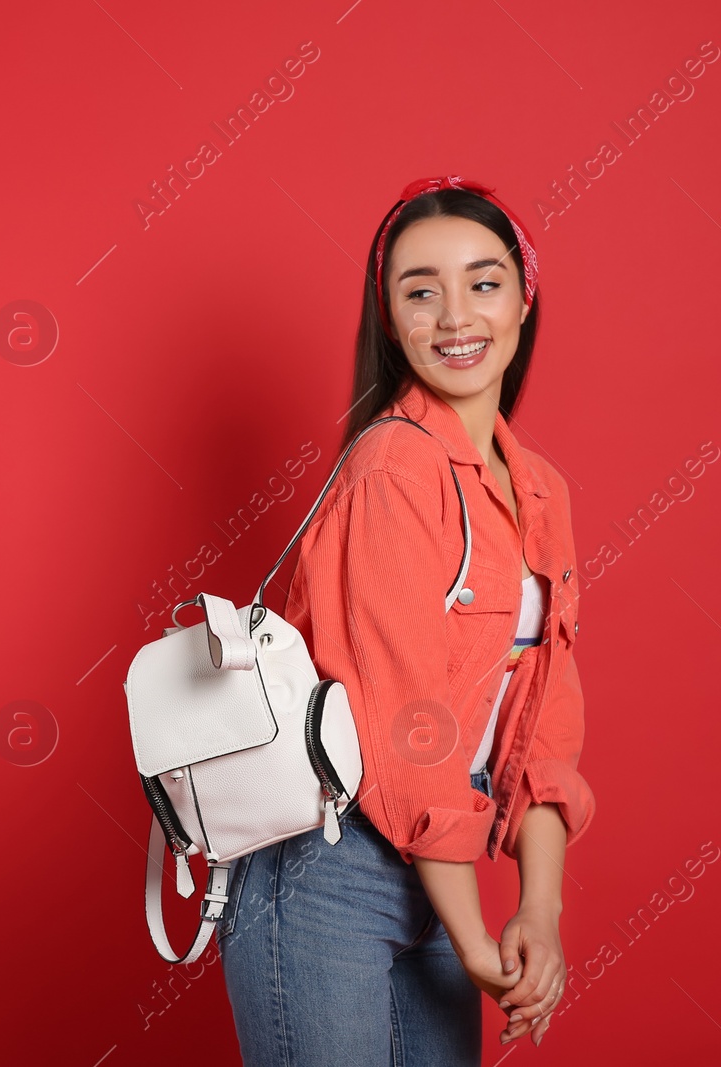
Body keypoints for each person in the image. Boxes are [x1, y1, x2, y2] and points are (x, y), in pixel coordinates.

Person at [217, 176, 596, 1065]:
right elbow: (408, 723)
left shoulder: (538, 487)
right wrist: (474, 940)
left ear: (524, 297)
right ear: (389, 318)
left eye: (484, 282)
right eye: (420, 290)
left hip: (439, 867)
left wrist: (538, 908)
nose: (456, 315)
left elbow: (544, 721)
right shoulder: (392, 464)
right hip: (325, 864)